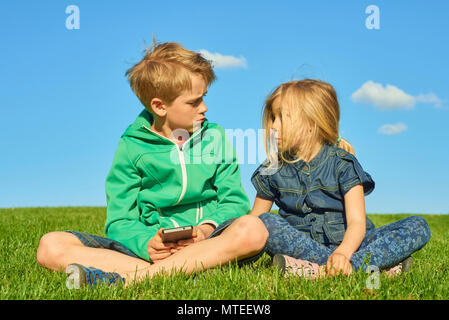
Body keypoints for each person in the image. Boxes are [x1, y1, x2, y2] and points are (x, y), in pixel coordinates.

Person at [36, 41, 268, 288]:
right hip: (150, 251)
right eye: (194, 102)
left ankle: (132, 279)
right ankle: (178, 271)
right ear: (159, 106)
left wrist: (205, 230)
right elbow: (120, 221)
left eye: (204, 98)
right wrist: (147, 243)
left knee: (253, 228)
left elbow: (234, 202)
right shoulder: (131, 147)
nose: (204, 108)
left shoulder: (215, 138)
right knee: (50, 246)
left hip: (208, 242)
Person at [249, 79, 431, 278]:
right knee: (264, 222)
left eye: (281, 118)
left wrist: (344, 253)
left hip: (352, 244)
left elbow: (356, 222)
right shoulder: (271, 169)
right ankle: (372, 267)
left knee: (417, 225)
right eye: (273, 118)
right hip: (303, 246)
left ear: (311, 122)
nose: (274, 126)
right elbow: (253, 223)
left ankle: (332, 268)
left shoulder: (343, 164)